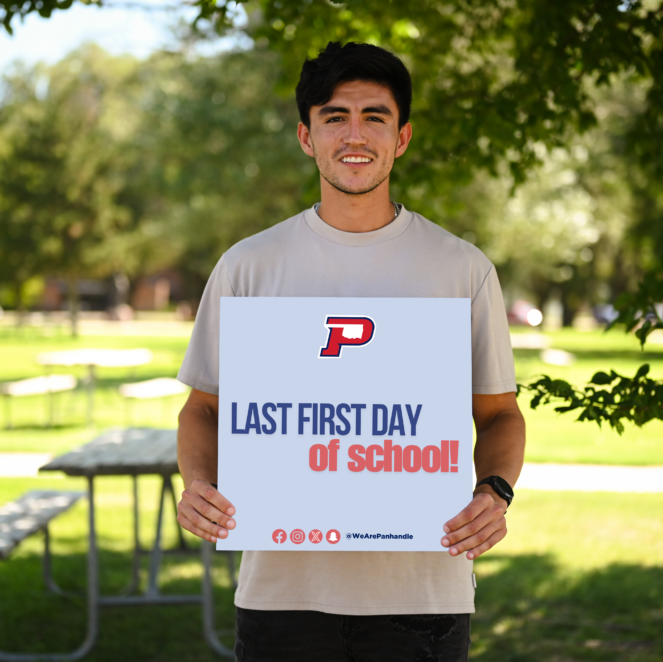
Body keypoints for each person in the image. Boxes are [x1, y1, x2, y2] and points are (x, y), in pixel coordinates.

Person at [176, 41, 526, 661]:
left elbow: (499, 413)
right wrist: (199, 482)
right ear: (307, 136)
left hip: (423, 593)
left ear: (404, 136)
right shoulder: (247, 267)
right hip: (282, 592)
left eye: (375, 116)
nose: (354, 134)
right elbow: (204, 407)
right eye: (335, 116)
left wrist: (492, 492)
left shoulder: (462, 270)